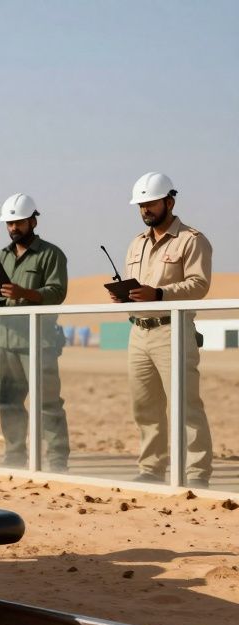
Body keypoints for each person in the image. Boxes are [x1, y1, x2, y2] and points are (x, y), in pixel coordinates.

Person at [109, 172, 213, 487]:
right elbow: (138, 287)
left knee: (186, 405)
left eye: (151, 203)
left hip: (173, 331)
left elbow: (199, 284)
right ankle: (151, 469)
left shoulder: (192, 240)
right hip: (138, 332)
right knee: (144, 406)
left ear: (169, 201)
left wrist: (161, 294)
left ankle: (196, 474)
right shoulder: (135, 245)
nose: (145, 210)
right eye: (141, 205)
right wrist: (123, 295)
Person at [0, 194, 70, 471]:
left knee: (48, 402)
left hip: (38, 341)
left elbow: (57, 293)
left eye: (18, 222)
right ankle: (14, 457)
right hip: (5, 339)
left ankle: (57, 460)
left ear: (32, 220)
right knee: (8, 402)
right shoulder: (1, 256)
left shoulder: (51, 254)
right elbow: (0, 303)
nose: (13, 228)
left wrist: (24, 293)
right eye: (9, 223)